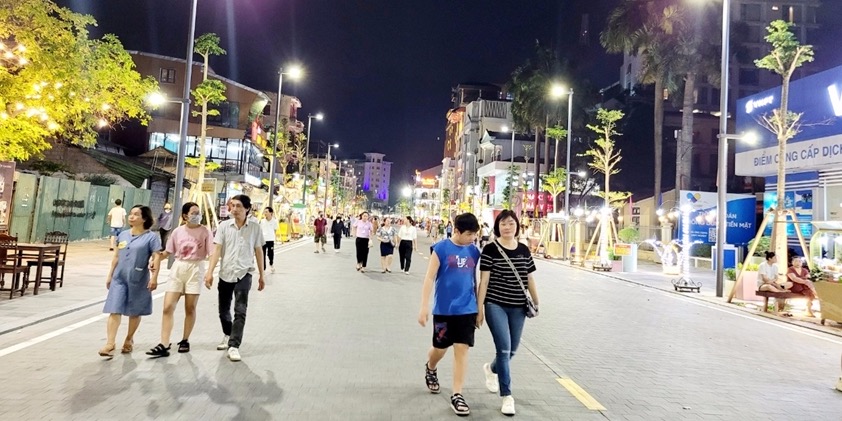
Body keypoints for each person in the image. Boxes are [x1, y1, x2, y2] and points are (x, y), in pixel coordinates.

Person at [476, 210, 540, 415]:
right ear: (497, 227)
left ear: (517, 226)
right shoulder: (490, 249)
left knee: (512, 351)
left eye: (511, 223)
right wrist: (479, 309)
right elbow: (483, 281)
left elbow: (529, 278)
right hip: (495, 304)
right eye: (503, 224)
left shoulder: (523, 249)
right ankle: (507, 396)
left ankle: (491, 369)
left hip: (519, 306)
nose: (507, 227)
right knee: (503, 349)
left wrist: (536, 302)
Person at [417, 213, 481, 416]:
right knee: (440, 348)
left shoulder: (474, 252)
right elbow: (429, 278)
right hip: (444, 310)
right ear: (457, 231)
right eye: (469, 234)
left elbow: (474, 280)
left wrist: (479, 308)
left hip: (467, 309)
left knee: (462, 348)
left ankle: (457, 394)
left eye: (475, 234)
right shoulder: (441, 248)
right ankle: (431, 366)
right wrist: (424, 307)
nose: (472, 238)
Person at [146, 202, 214, 357]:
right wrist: (156, 258)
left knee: (190, 308)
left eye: (198, 212)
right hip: (178, 267)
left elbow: (211, 253)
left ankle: (185, 339)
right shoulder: (177, 232)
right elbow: (167, 252)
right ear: (185, 216)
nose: (197, 215)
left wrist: (209, 272)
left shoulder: (205, 232)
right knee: (167, 307)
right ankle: (164, 343)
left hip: (195, 268)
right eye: (194, 213)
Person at [203, 195, 265, 362]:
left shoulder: (255, 227)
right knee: (223, 310)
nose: (235, 209)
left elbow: (259, 251)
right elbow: (217, 250)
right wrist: (210, 272)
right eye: (233, 205)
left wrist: (262, 275)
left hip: (244, 273)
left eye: (238, 206)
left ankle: (234, 345)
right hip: (225, 273)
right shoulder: (224, 226)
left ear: (247, 209)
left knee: (240, 310)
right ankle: (228, 334)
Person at [99, 205, 161, 357]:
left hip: (138, 278)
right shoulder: (123, 235)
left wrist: (154, 277)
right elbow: (116, 257)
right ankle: (110, 343)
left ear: (144, 218)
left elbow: (157, 256)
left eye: (136, 214)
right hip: (119, 277)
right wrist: (110, 275)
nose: (131, 217)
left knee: (135, 310)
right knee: (114, 308)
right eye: (131, 214)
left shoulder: (151, 237)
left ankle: (129, 339)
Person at [260, 207, 279, 273]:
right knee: (262, 254)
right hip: (263, 240)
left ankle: (271, 263)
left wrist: (273, 237)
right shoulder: (262, 221)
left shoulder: (274, 221)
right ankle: (263, 268)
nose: (265, 213)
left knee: (270, 254)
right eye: (264, 212)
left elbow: (275, 230)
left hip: (270, 239)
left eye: (266, 212)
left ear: (271, 213)